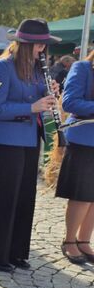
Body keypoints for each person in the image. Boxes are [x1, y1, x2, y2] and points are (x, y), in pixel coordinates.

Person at [0, 18, 60, 272]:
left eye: (44, 45)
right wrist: (31, 107)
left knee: (26, 194)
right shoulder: (2, 67)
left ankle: (16, 251)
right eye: (39, 45)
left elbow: (36, 98)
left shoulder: (36, 69)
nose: (43, 49)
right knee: (7, 194)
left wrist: (49, 93)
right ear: (25, 45)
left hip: (28, 138)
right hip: (3, 140)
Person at [56, 50, 94, 264]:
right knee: (81, 194)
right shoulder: (82, 68)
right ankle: (70, 240)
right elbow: (69, 102)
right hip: (83, 139)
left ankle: (84, 240)